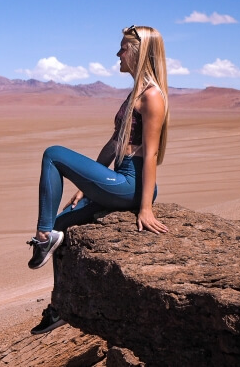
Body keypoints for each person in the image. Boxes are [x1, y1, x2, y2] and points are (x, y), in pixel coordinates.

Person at [27, 25, 170, 335]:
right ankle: (59, 307)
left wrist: (145, 208)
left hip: (131, 184)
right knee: (63, 223)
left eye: (122, 48)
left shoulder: (152, 97)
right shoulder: (136, 93)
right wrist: (83, 187)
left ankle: (41, 237)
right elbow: (113, 143)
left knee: (53, 154)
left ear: (138, 52)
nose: (117, 54)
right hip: (118, 178)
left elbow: (151, 155)